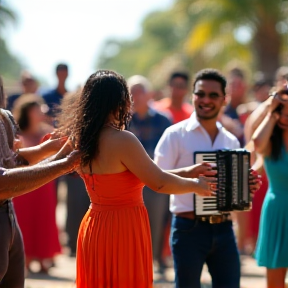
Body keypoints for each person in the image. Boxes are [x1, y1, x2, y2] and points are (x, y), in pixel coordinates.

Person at [59, 70, 216, 288]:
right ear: (119, 101)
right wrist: (196, 186)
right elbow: (157, 182)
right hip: (124, 228)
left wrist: (188, 172)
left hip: (95, 226)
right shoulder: (123, 139)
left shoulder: (82, 139)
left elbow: (142, 175)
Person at [154, 68, 261, 288]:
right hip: (187, 228)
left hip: (224, 229)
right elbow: (155, 179)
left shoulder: (231, 140)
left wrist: (246, 186)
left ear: (224, 100)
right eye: (200, 94)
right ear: (192, 96)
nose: (205, 100)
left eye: (213, 95)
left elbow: (234, 193)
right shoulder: (174, 134)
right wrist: (191, 177)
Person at [0, 76, 79, 288]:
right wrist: (63, 164)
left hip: (8, 214)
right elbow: (3, 180)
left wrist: (52, 151)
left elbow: (11, 161)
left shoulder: (3, 119)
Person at [127, 75, 172, 272]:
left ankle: (158, 258)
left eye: (140, 91)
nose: (136, 96)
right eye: (132, 92)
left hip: (157, 176)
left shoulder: (163, 120)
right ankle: (137, 263)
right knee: (133, 225)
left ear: (148, 94)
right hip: (130, 180)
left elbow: (169, 150)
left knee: (160, 218)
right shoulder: (123, 121)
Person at [12, 95, 61, 273]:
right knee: (24, 219)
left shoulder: (48, 132)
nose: (40, 112)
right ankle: (25, 259)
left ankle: (43, 258)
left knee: (44, 219)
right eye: (36, 109)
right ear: (27, 112)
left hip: (44, 183)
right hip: (23, 184)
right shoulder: (16, 134)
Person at [253, 88, 288, 288]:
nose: (285, 116)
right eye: (282, 111)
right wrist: (271, 113)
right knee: (274, 284)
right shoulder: (270, 142)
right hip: (276, 212)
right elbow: (257, 144)